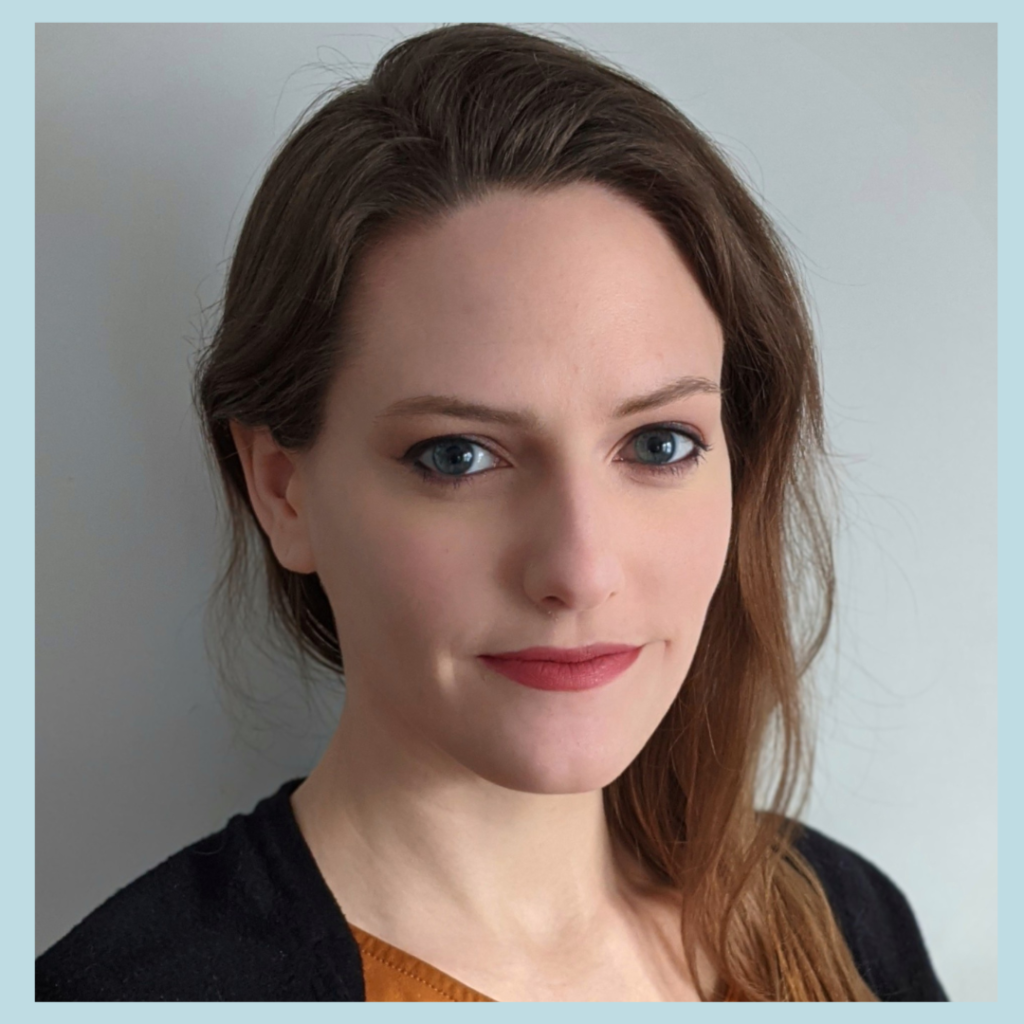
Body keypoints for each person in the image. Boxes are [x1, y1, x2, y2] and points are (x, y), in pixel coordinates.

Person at [35, 23, 948, 1002]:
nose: (579, 569)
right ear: (281, 488)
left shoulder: (843, 919)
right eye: (458, 456)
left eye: (658, 444)